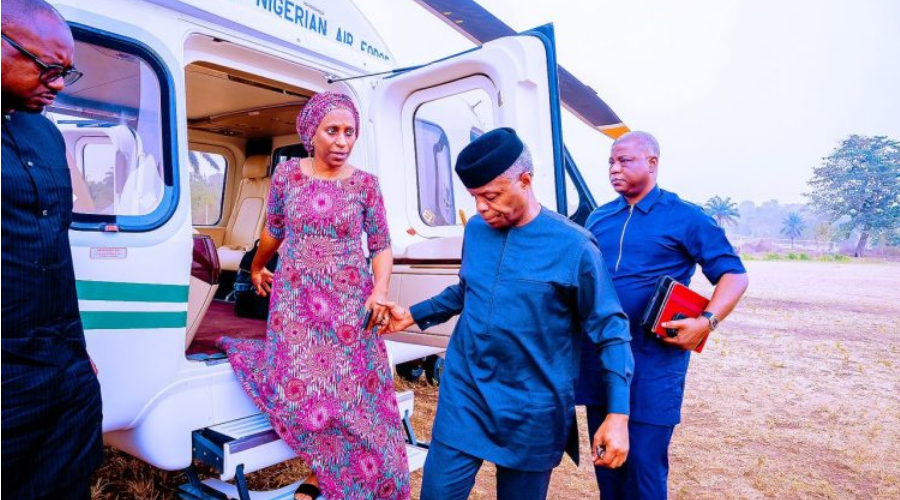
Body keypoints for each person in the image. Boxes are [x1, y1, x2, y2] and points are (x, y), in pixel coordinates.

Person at [380, 128, 635, 500]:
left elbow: (611, 329)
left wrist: (618, 415)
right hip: (466, 394)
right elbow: (469, 289)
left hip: (533, 406)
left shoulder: (575, 246)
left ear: (525, 181)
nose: (482, 208)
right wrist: (414, 314)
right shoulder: (478, 231)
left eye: (491, 196)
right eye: (474, 197)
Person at [217, 92, 410, 500]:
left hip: (350, 300)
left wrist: (379, 290)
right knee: (300, 386)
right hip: (296, 297)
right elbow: (274, 227)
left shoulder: (366, 185)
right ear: (311, 133)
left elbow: (381, 244)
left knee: (351, 392)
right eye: (332, 131)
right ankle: (324, 467)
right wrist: (256, 265)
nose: (342, 141)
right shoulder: (288, 175)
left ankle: (350, 473)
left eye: (350, 132)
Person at [576, 131, 749, 499]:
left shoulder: (686, 217)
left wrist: (706, 322)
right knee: (607, 464)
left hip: (654, 365)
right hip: (603, 362)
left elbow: (734, 276)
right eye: (610, 161)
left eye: (625, 160)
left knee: (644, 470)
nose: (614, 168)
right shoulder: (599, 218)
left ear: (652, 163)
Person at [1, 1, 103, 499]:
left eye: (66, 72)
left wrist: (78, 351)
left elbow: (56, 253)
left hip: (62, 363)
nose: (59, 84)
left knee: (69, 479)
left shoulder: (44, 133)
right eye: (48, 68)